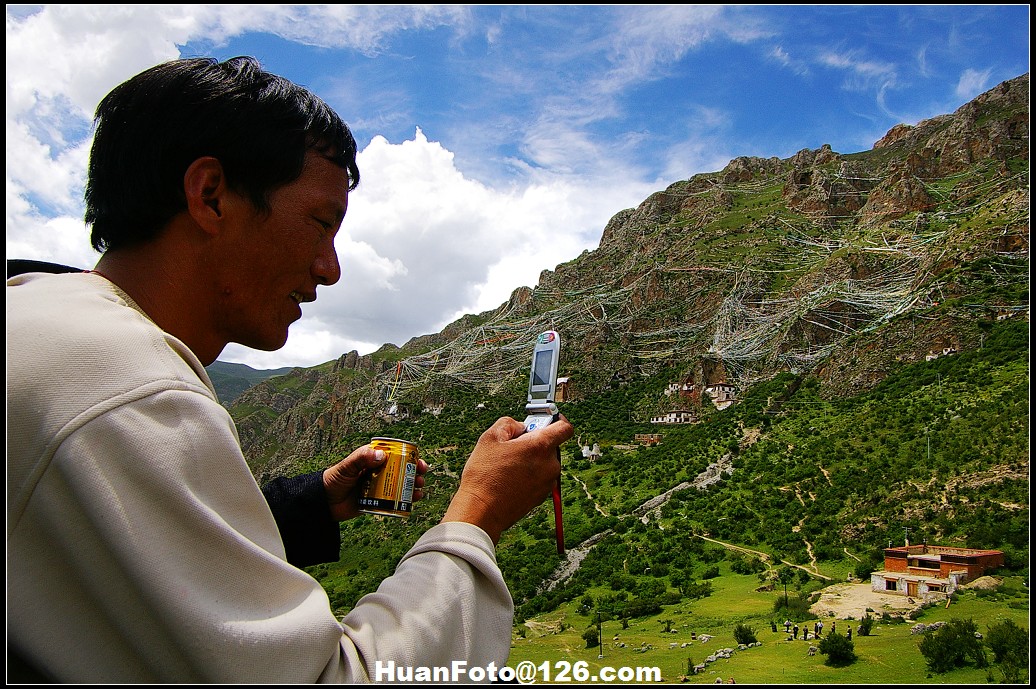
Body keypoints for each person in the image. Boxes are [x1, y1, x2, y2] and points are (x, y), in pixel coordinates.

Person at [7, 55, 573, 683]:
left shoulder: (41, 319)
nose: (330, 268)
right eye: (321, 223)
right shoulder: (120, 386)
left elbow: (116, 554)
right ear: (212, 195)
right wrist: (477, 516)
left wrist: (308, 505)